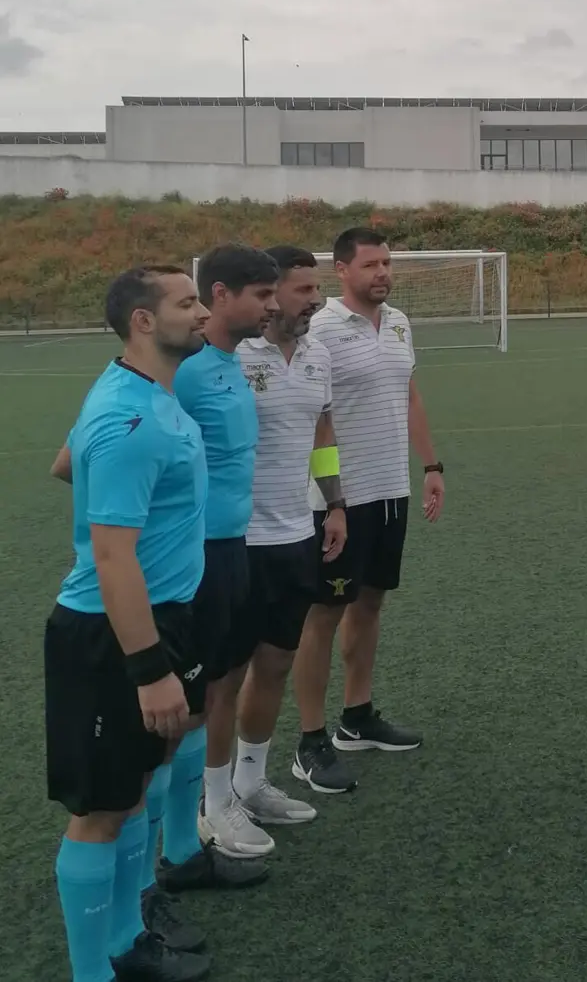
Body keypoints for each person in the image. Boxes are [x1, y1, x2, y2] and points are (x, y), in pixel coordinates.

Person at [44, 266, 212, 982]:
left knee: (135, 787)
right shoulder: (128, 420)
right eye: (187, 303)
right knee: (100, 811)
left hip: (163, 616)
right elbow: (112, 557)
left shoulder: (144, 390)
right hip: (109, 637)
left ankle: (125, 941)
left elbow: (64, 464)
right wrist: (148, 671)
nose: (202, 313)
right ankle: (94, 973)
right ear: (143, 321)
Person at [291, 227, 444, 794]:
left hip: (390, 491)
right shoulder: (321, 328)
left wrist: (431, 466)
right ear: (341, 270)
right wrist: (333, 498)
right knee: (323, 613)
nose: (382, 273)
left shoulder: (399, 322)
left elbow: (409, 395)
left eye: (387, 263)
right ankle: (310, 740)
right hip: (338, 500)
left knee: (370, 603)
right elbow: (315, 415)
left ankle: (356, 717)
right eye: (370, 264)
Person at [229, 245, 347, 836]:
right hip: (234, 541)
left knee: (275, 663)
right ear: (269, 293)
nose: (316, 300)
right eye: (304, 290)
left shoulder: (318, 355)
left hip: (296, 533)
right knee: (224, 676)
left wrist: (335, 503)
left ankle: (250, 783)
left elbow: (322, 431)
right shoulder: (228, 354)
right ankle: (212, 800)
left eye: (316, 288)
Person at [172, 243, 281, 861]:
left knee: (228, 677)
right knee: (201, 693)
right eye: (262, 295)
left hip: (235, 546)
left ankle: (220, 797)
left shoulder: (231, 361)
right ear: (220, 294)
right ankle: (204, 813)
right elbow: (81, 460)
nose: (272, 306)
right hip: (198, 556)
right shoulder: (185, 370)